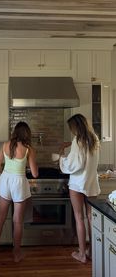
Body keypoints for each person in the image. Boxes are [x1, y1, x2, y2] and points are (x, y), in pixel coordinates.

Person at [0, 121, 38, 262]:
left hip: (5, 180)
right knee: (18, 221)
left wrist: (7, 169)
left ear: (15, 132)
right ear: (27, 134)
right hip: (19, 182)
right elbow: (35, 174)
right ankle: (17, 254)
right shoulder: (29, 149)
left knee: (0, 217)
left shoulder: (6, 145)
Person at [59, 113, 100, 264]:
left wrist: (62, 155)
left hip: (77, 184)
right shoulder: (94, 139)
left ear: (75, 126)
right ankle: (92, 252)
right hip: (91, 183)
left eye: (71, 128)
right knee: (91, 218)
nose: (72, 131)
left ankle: (82, 254)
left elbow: (74, 164)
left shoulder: (78, 140)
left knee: (79, 218)